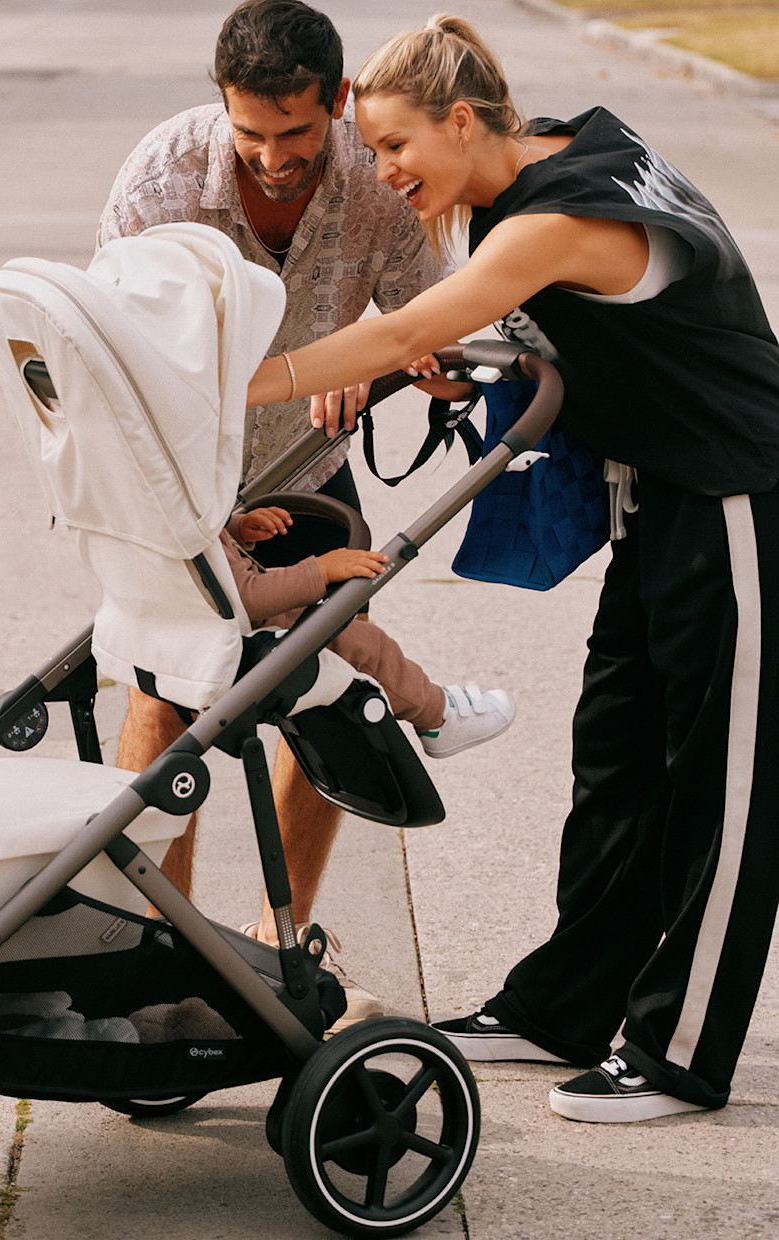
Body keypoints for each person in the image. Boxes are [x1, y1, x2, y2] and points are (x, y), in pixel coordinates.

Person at [247, 13, 779, 1122]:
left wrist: (230, 384)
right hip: (660, 494)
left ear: (459, 120)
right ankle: (564, 1007)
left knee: (724, 788)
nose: (382, 172)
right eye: (372, 151)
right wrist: (475, 345)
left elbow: (404, 332)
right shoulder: (540, 160)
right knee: (617, 765)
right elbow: (558, 321)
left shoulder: (555, 214)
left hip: (738, 493)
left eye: (395, 146)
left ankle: (681, 1051)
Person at [99, 0, 457, 1027]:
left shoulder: (380, 182)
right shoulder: (162, 181)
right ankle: (158, 946)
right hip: (182, 481)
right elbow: (105, 355)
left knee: (319, 688)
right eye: (250, 132)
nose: (271, 156)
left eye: (295, 131)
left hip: (305, 467)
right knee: (167, 697)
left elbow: (434, 330)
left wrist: (386, 363)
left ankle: (281, 935)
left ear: (335, 102)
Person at [225, 504, 516, 755]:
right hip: (239, 627)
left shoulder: (195, 512)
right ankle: (436, 715)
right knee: (364, 643)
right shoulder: (194, 504)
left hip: (214, 611)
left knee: (334, 612)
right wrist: (322, 569)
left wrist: (236, 528)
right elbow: (246, 596)